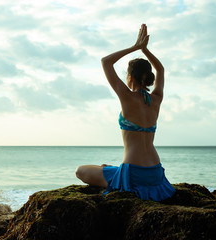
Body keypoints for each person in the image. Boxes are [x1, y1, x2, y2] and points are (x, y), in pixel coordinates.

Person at [75, 24, 175, 201]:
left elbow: (106, 61)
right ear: (147, 76)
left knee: (81, 170)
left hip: (133, 174)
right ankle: (114, 169)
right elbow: (160, 69)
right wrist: (146, 50)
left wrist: (135, 47)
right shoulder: (156, 98)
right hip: (155, 172)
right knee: (106, 168)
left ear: (130, 76)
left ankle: (116, 171)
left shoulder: (127, 97)